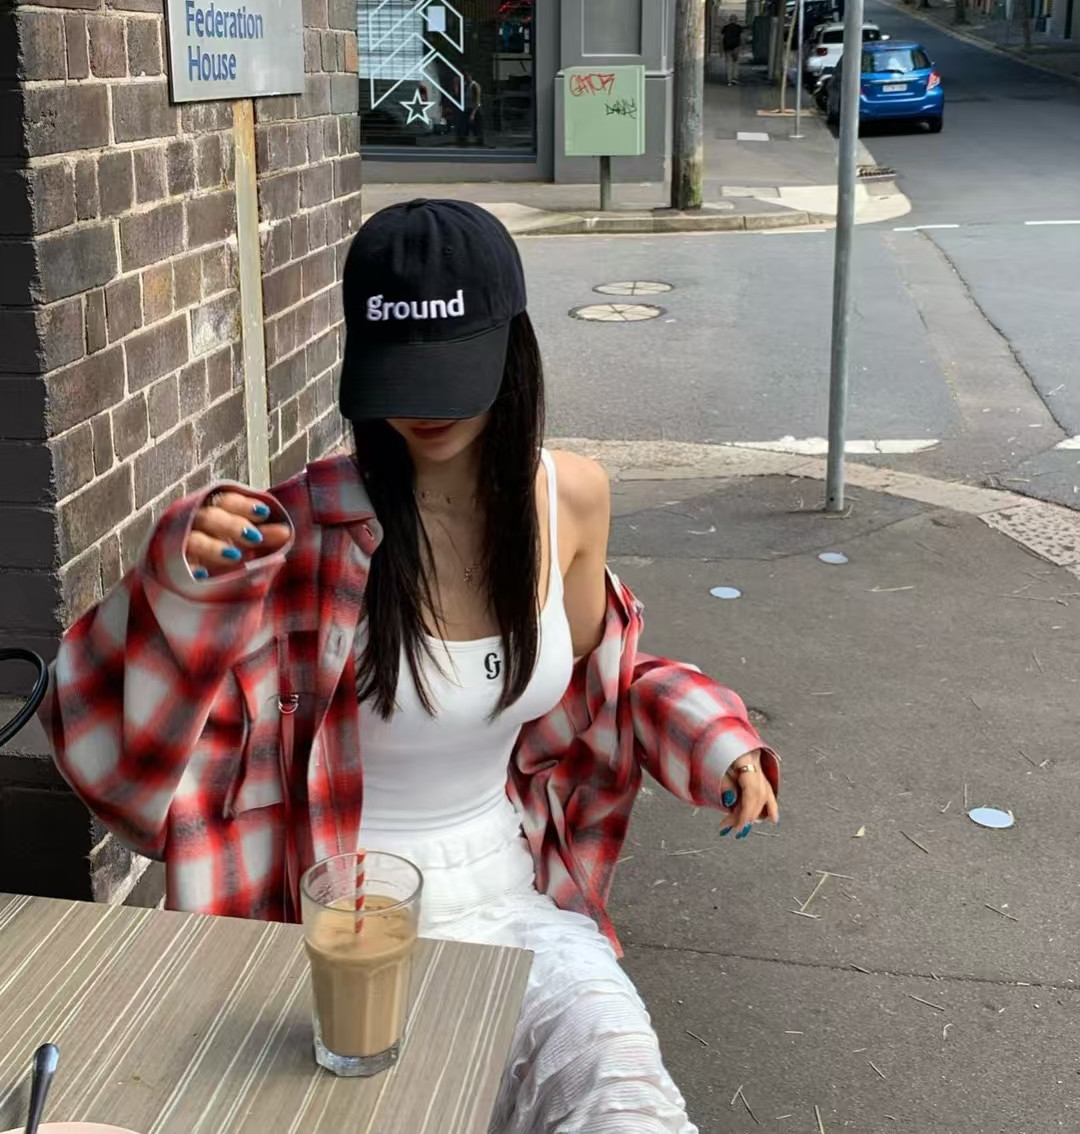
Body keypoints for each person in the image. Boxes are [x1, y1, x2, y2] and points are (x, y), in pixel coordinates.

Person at [42, 200, 780, 1134]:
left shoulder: (572, 497)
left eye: (452, 374)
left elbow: (607, 681)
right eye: (400, 375)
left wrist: (716, 740)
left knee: (626, 1101)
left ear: (513, 352)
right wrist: (177, 592)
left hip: (511, 903)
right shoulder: (298, 532)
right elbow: (111, 758)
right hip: (325, 928)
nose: (423, 408)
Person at [456, 69, 484, 146]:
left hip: (474, 110)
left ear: (470, 75)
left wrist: (473, 114)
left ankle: (479, 143)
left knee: (477, 129)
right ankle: (463, 142)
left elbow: (477, 101)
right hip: (466, 109)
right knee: (464, 128)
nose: (466, 78)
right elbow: (459, 96)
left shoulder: (475, 85)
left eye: (467, 75)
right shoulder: (465, 86)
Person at [721, 15, 743, 86]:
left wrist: (721, 49)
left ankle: (729, 80)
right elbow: (741, 38)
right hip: (736, 48)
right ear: (736, 20)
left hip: (727, 48)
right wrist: (741, 47)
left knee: (729, 64)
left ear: (729, 20)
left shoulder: (725, 28)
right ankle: (734, 78)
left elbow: (721, 38)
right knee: (735, 63)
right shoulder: (738, 28)